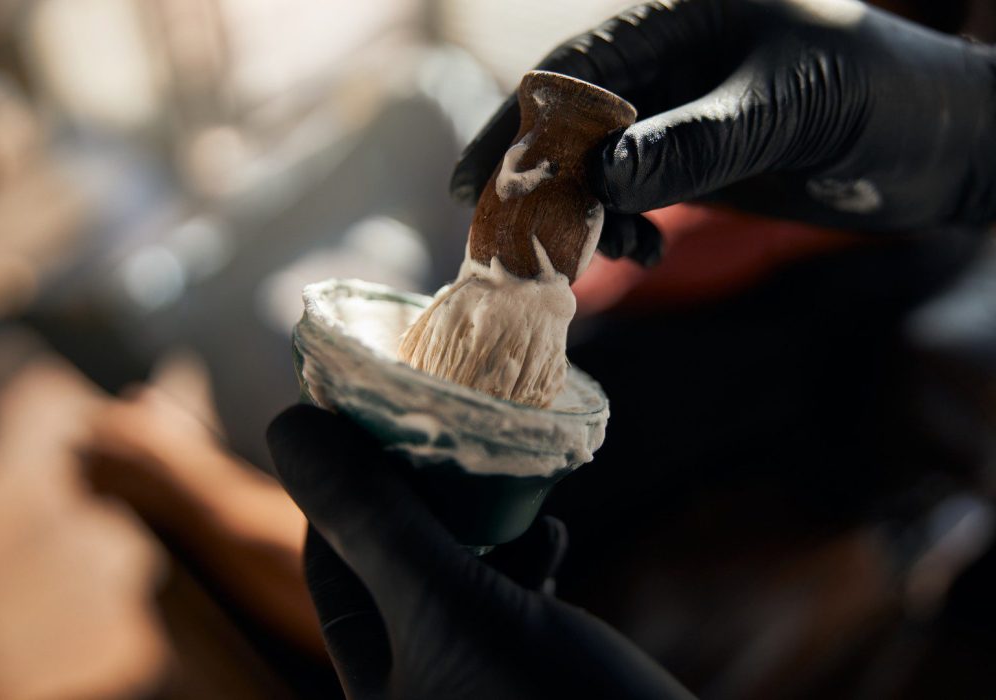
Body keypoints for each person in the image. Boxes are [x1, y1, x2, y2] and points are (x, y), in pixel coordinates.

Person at [268, 1, 996, 698]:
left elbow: (412, 589)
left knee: (262, 315)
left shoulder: (763, 390)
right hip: (493, 323)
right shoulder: (839, 183)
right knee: (429, 91)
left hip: (352, 484)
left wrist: (188, 462)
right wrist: (969, 116)